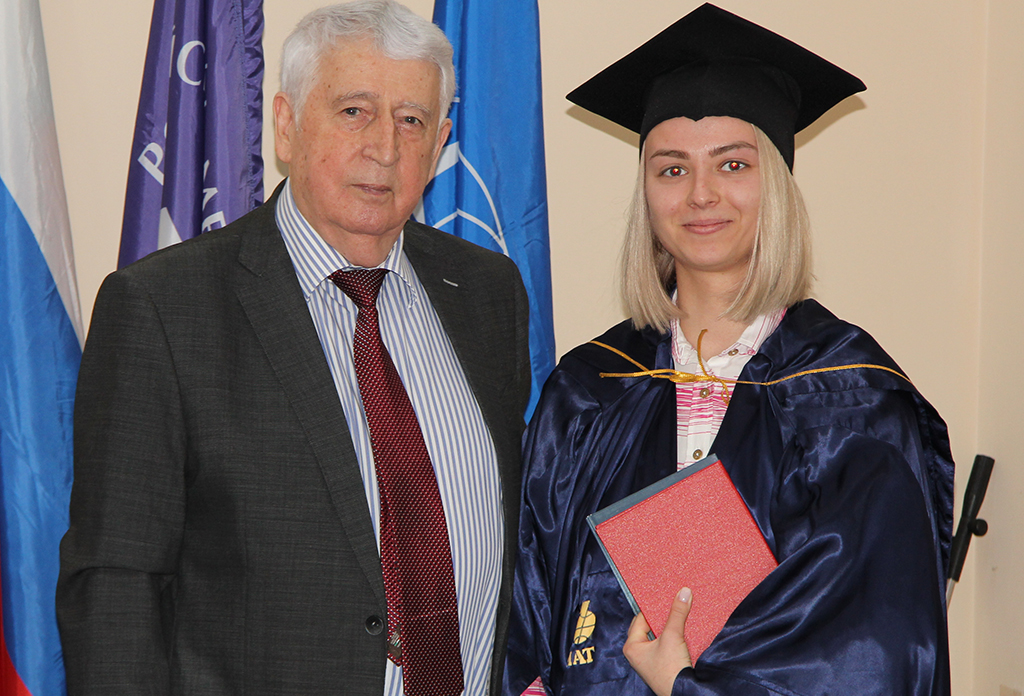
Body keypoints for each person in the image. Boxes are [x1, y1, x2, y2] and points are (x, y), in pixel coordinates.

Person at [56, 2, 531, 695]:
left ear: (440, 144)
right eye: (353, 111)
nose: (384, 148)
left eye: (411, 120)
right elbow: (114, 589)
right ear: (286, 124)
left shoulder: (487, 294)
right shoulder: (164, 308)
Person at [503, 4, 953, 696]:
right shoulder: (590, 389)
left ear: (776, 185)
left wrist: (687, 685)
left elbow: (871, 646)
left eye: (733, 164)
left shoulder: (850, 398)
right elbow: (528, 612)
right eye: (671, 170)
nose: (701, 195)